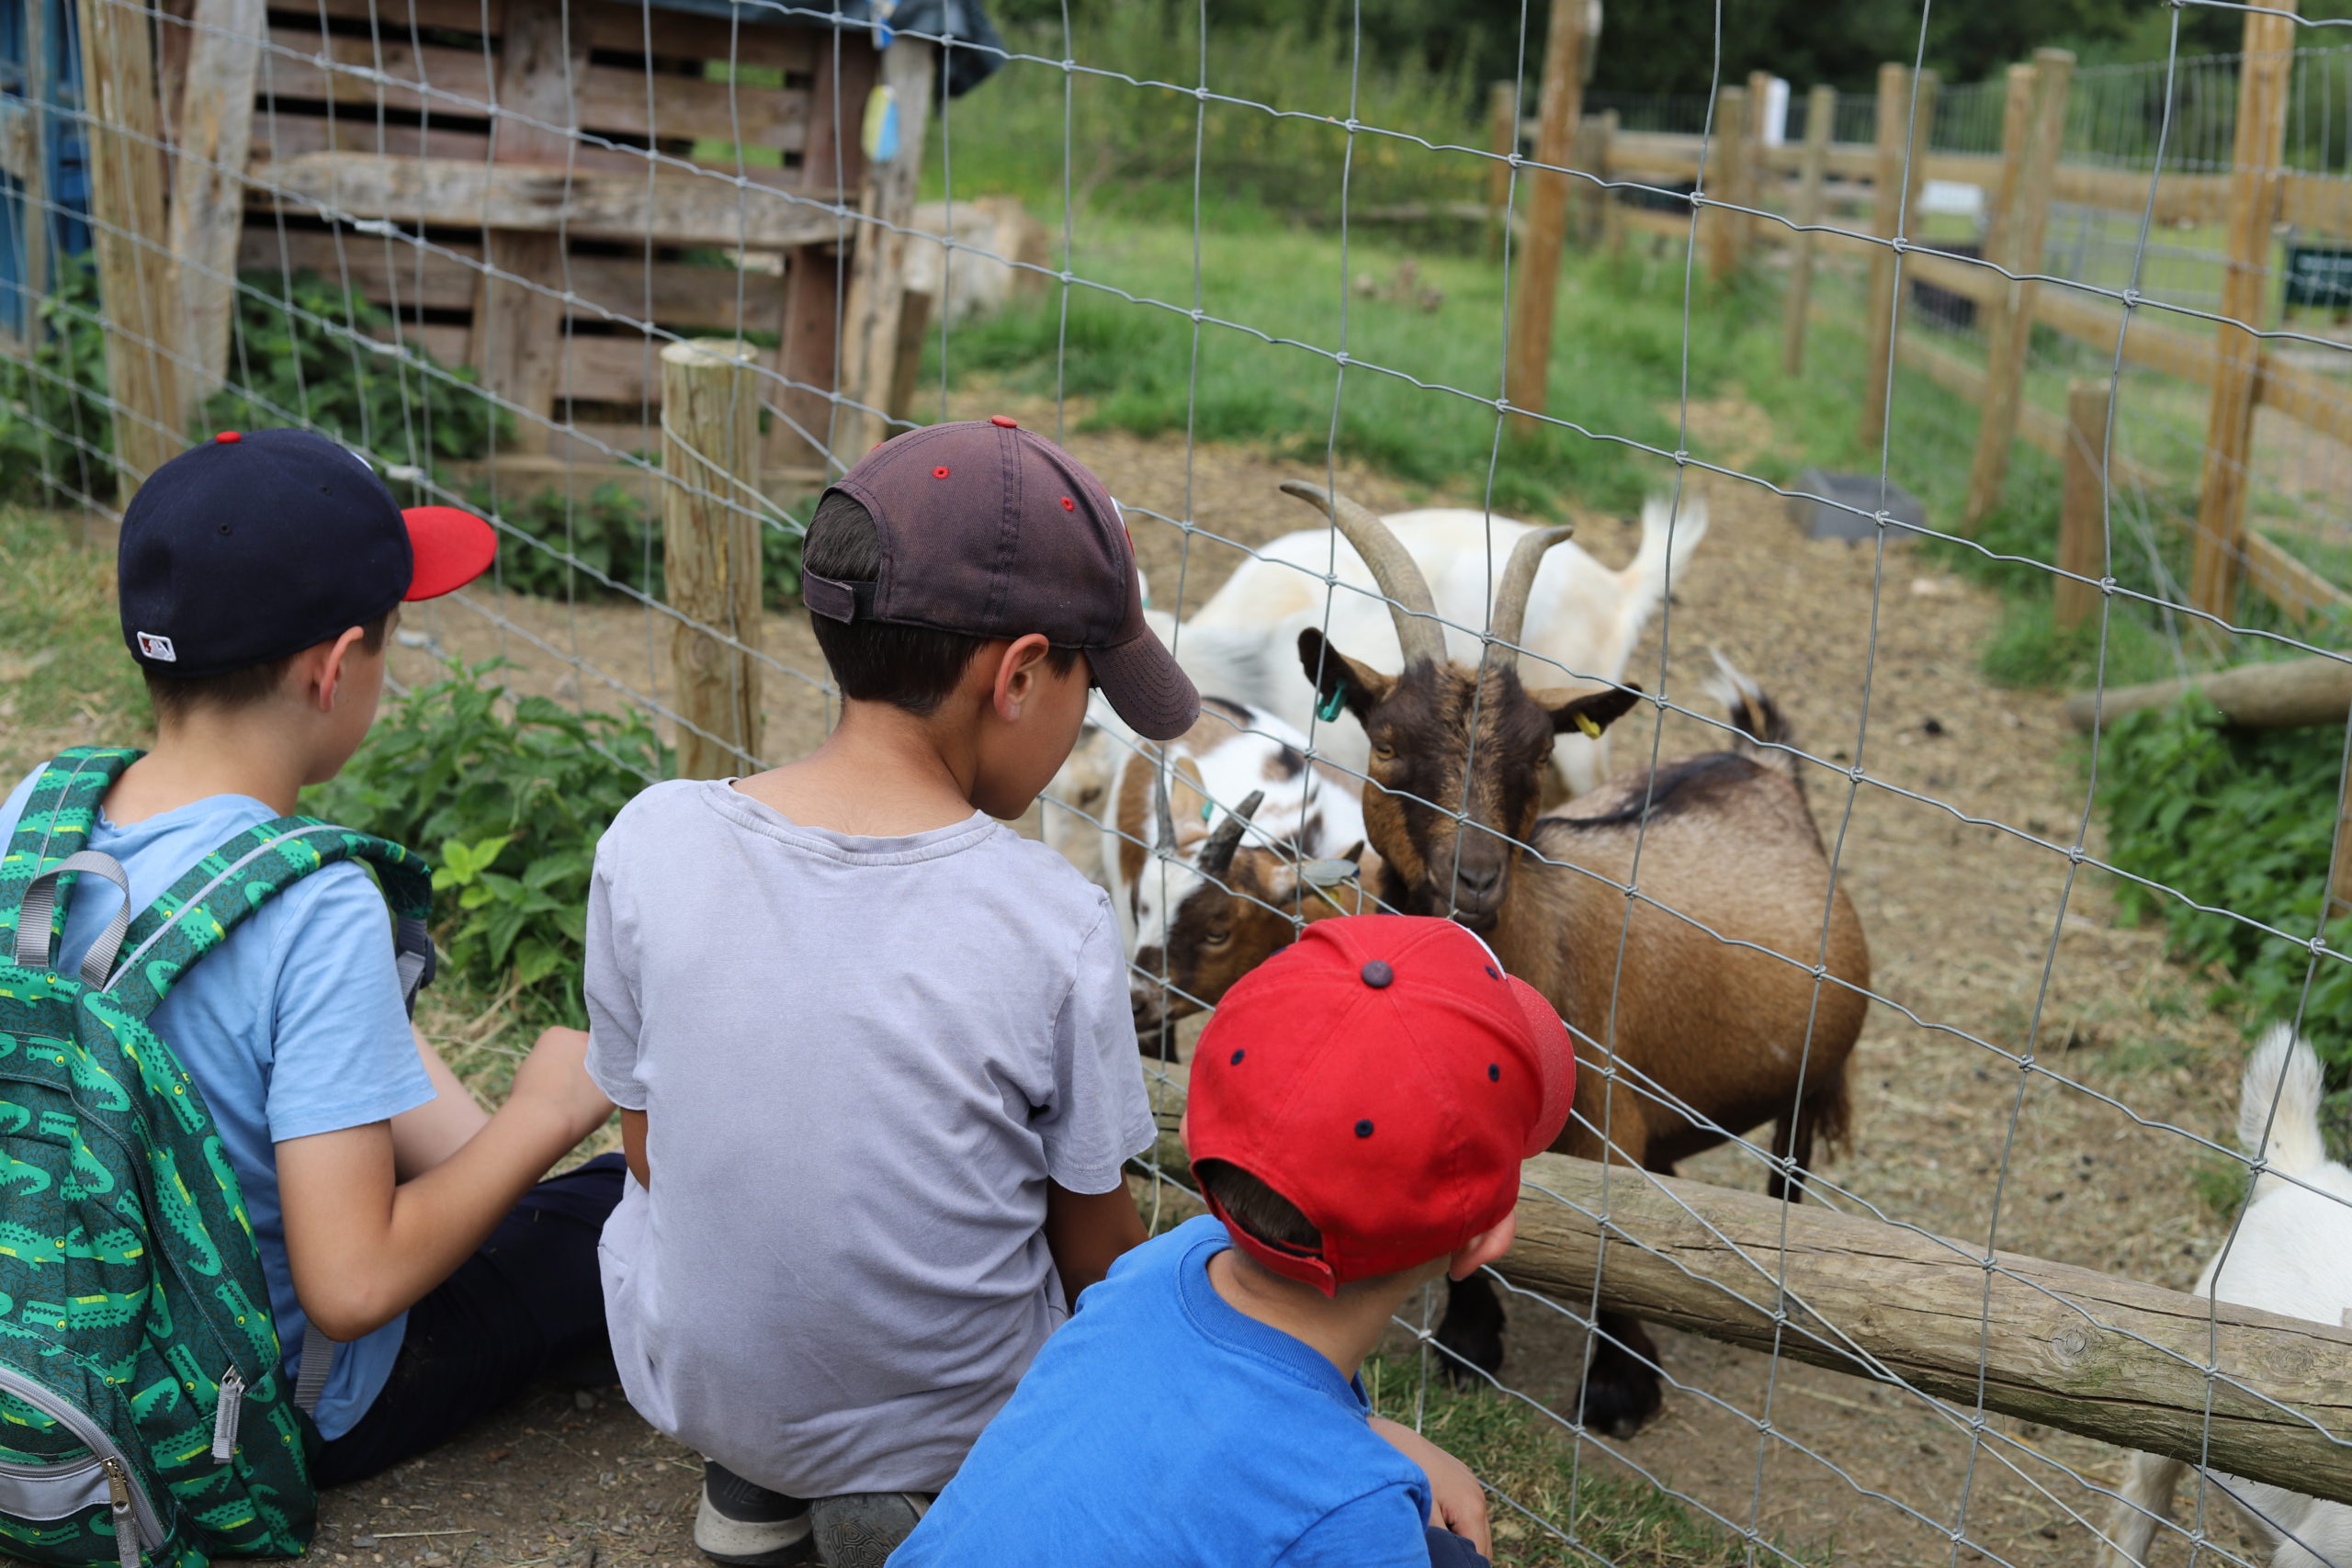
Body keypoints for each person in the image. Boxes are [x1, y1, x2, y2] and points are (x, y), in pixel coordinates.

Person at [584, 416, 1201, 1568]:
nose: (1083, 731)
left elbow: (653, 1151)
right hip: (961, 1418)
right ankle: (938, 1493)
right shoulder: (1051, 917)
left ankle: (761, 1475)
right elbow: (1094, 1253)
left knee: (644, 1212)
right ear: (1020, 676)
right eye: (1090, 690)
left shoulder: (650, 839)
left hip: (709, 1390)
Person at [0, 428, 623, 1484]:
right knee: (606, 1213)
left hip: (50, 1360)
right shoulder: (318, 903)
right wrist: (542, 1118)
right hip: (250, 1416)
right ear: (336, 669)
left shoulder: (38, 815)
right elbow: (353, 1284)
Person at [892, 913, 1580, 1568]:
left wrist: (1373, 1439)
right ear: (1485, 1238)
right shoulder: (1353, 1514)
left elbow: (1223, 1408)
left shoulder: (1156, 1266)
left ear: (1194, 1135)